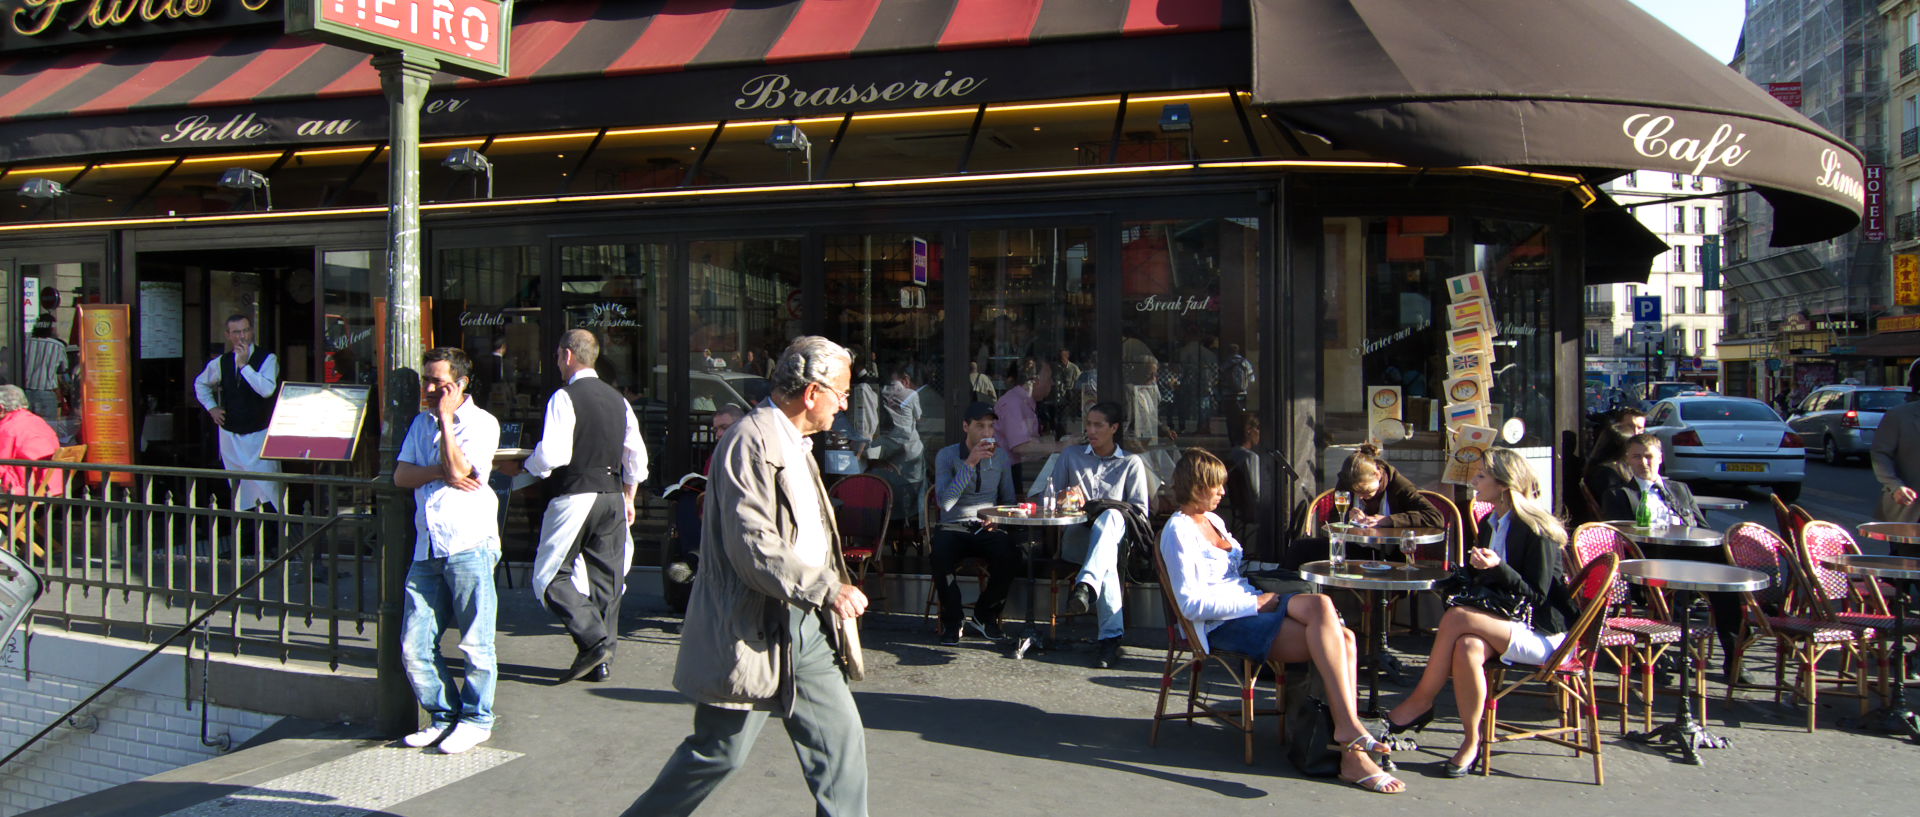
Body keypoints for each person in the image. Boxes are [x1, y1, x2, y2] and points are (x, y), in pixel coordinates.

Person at [625, 336, 869, 817]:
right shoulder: (750, 440)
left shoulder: (795, 442)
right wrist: (828, 586)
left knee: (841, 749)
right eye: (840, 392)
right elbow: (753, 545)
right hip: (751, 625)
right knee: (718, 753)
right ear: (812, 391)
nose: (844, 404)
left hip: (806, 625)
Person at [1160, 448, 1403, 794]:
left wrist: (1272, 587)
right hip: (1223, 623)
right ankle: (1351, 747)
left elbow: (1238, 572)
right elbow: (1190, 604)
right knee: (1343, 640)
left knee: (1323, 607)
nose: (1223, 493)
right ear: (1196, 486)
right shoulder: (1178, 532)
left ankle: (1347, 734)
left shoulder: (1214, 521)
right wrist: (1256, 602)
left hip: (1251, 603)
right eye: (1217, 486)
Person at [1381, 447, 1575, 777]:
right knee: (1466, 646)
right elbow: (1484, 580)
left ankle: (1420, 702)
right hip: (1503, 621)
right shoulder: (1491, 522)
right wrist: (1457, 574)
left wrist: (1499, 568)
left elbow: (1538, 596)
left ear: (1503, 483)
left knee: (1458, 618)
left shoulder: (1536, 529)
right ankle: (1471, 741)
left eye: (1482, 475)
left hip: (1543, 633)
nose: (1474, 480)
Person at [517, 329, 650, 683]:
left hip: (575, 494)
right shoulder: (618, 400)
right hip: (612, 497)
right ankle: (601, 662)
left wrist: (527, 465)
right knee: (607, 581)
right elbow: (636, 454)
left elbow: (554, 454)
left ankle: (593, 641)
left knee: (549, 576)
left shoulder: (565, 396)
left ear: (566, 355)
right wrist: (629, 495)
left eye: (559, 357)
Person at [392, 348, 501, 755]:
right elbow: (403, 475)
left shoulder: (482, 423)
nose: (431, 388)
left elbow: (463, 472)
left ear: (461, 384)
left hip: (469, 541)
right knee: (415, 642)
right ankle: (442, 715)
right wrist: (440, 470)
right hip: (428, 544)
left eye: (440, 381)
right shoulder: (420, 424)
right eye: (427, 380)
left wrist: (447, 421)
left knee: (475, 641)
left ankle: (477, 718)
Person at [1058, 402, 1151, 668]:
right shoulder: (1070, 456)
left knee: (1110, 519)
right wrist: (1066, 498)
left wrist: (1110, 509)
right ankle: (1109, 640)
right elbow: (1048, 499)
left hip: (1117, 540)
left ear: (1114, 428)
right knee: (1105, 560)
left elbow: (1140, 513)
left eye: (1098, 425)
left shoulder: (1131, 462)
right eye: (1088, 424)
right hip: (1078, 538)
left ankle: (1085, 586)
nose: (1091, 430)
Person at [930, 402, 1022, 645]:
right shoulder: (947, 456)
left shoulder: (1001, 457)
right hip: (954, 524)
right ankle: (952, 620)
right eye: (980, 426)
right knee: (940, 554)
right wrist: (969, 464)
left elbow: (1009, 500)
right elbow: (945, 503)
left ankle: (985, 614)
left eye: (991, 427)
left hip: (986, 525)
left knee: (1010, 554)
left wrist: (996, 517)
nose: (987, 433)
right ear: (965, 426)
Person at [1279, 444, 1441, 569]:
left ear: (1378, 475)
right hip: (1353, 548)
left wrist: (1390, 520)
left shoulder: (1398, 486)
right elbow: (1333, 519)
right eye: (1358, 493)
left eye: (1366, 491)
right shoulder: (1347, 483)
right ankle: (1287, 595)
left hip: (1388, 555)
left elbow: (1435, 517)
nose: (1362, 497)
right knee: (1299, 548)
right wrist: (1347, 518)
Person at [192, 314, 282, 512]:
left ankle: (273, 535)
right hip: (230, 433)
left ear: (251, 332)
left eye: (245, 330)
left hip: (260, 432)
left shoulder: (267, 359)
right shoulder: (221, 362)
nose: (242, 336)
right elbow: (200, 383)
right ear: (228, 335)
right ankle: (246, 534)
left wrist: (244, 366)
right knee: (239, 486)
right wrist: (212, 408)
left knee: (267, 484)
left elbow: (267, 390)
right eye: (236, 332)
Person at [1599, 433, 1704, 528]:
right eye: (1637, 457)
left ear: (1660, 458)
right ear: (1628, 460)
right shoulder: (1617, 495)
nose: (1643, 462)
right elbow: (1619, 536)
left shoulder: (1680, 489)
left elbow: (1703, 529)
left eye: (1649, 456)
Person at [1873, 368, 1920, 524]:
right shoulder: (1899, 415)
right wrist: (1895, 486)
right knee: (1908, 549)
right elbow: (1880, 454)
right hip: (1909, 510)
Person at [0, 385, 59, 498]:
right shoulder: (37, 421)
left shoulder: (7, 429)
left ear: (1, 408)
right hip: (51, 487)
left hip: (21, 489)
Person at [1221, 414, 1267, 557]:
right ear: (1249, 430)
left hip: (1240, 507)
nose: (1260, 433)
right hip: (1251, 508)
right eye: (1258, 428)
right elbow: (1256, 490)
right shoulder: (1251, 458)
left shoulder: (1234, 453)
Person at [22, 323, 65, 423]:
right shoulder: (57, 345)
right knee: (48, 425)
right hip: (46, 391)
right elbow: (63, 368)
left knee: (26, 425)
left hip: (25, 391)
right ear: (52, 328)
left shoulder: (24, 342)